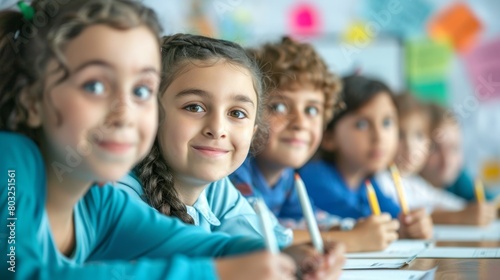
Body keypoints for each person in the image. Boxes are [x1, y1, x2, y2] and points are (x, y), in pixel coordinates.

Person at [0, 1, 342, 279]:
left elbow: (206, 247)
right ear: (33, 101)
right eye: (96, 86)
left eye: (141, 90)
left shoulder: (98, 202)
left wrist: (289, 258)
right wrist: (215, 273)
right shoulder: (11, 165)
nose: (125, 112)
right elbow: (24, 273)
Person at [116, 33, 293, 246]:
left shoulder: (217, 189)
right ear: (150, 115)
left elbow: (263, 245)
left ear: (253, 132)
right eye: (195, 107)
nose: (217, 129)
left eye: (237, 113)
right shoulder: (117, 191)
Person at [300, 76, 433, 252]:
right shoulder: (314, 177)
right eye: (362, 124)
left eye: (387, 122)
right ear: (329, 136)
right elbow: (366, 223)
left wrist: (414, 225)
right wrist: (398, 227)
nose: (379, 137)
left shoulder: (367, 182)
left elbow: (397, 218)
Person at [376, 92, 467, 214]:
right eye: (400, 135)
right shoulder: (380, 179)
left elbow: (439, 200)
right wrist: (461, 216)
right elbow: (404, 214)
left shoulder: (414, 183)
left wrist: (469, 210)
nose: (410, 146)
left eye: (419, 135)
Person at [419, 103, 497, 225]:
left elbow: (491, 202)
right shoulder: (407, 185)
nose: (447, 159)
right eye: (434, 148)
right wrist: (459, 217)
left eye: (454, 148)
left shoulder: (459, 178)